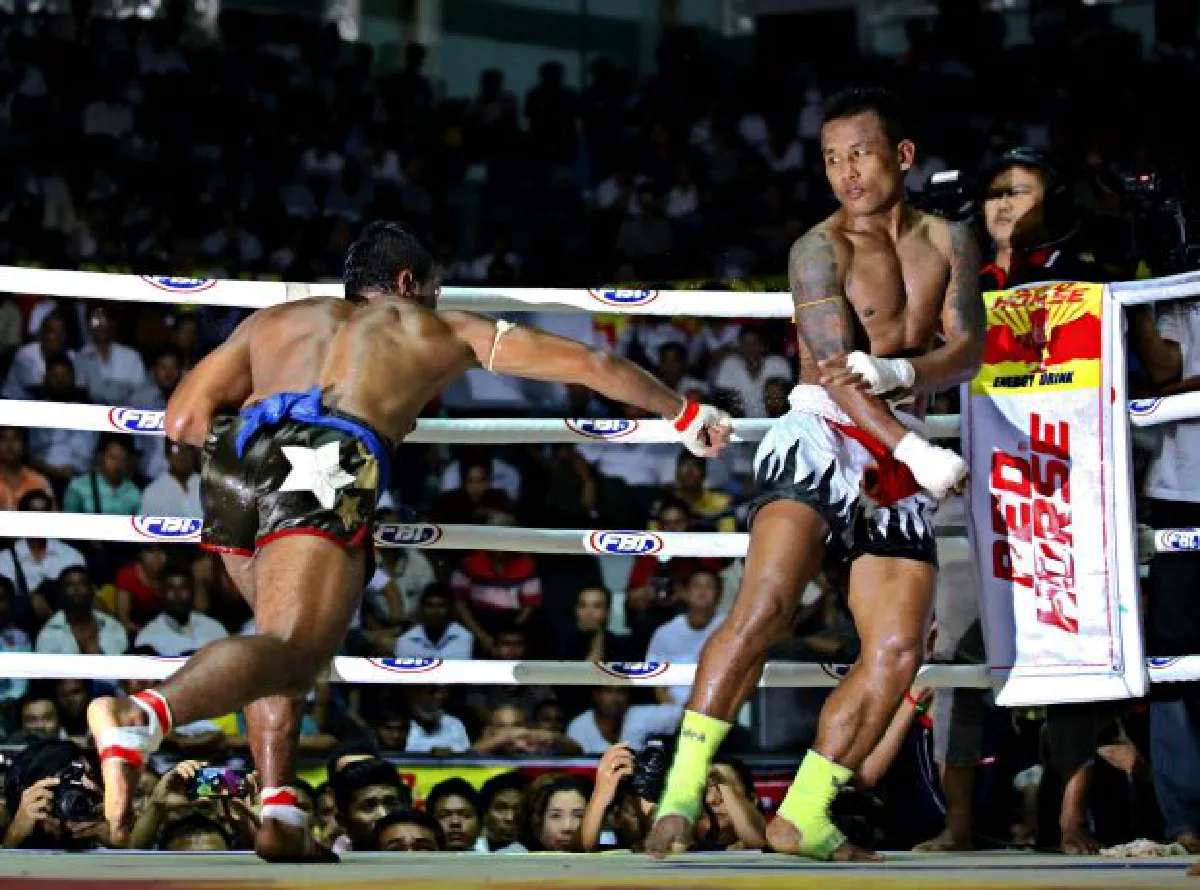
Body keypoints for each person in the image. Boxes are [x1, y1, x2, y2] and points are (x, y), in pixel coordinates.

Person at [86, 220, 732, 861]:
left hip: (232, 461)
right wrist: (682, 412)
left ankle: (278, 811)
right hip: (321, 458)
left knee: (277, 644)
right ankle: (143, 717)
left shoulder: (276, 320)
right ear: (407, 283)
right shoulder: (443, 328)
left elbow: (183, 418)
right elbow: (590, 362)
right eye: (435, 289)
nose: (439, 301)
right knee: (289, 648)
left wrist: (264, 454)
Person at [646, 86, 982, 862]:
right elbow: (834, 372)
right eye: (831, 159)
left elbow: (968, 349)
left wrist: (899, 371)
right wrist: (913, 449)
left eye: (859, 153)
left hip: (900, 444)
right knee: (765, 607)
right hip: (824, 436)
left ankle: (805, 815)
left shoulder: (951, 239)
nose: (846, 173)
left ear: (900, 155)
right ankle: (679, 799)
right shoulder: (815, 248)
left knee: (899, 648)